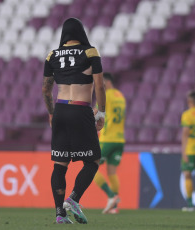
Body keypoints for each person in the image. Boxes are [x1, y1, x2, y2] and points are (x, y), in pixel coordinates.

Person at [42, 18, 106, 224]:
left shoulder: (52, 54)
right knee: (93, 160)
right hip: (80, 109)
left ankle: (60, 213)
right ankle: (74, 198)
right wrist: (101, 113)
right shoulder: (90, 52)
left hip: (60, 109)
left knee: (60, 164)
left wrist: (52, 113)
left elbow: (45, 90)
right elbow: (100, 85)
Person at [93, 72, 126, 214]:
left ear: (106, 82)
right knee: (112, 172)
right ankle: (114, 207)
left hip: (107, 139)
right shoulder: (120, 96)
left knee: (91, 166)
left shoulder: (105, 95)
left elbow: (95, 113)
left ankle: (111, 196)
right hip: (120, 140)